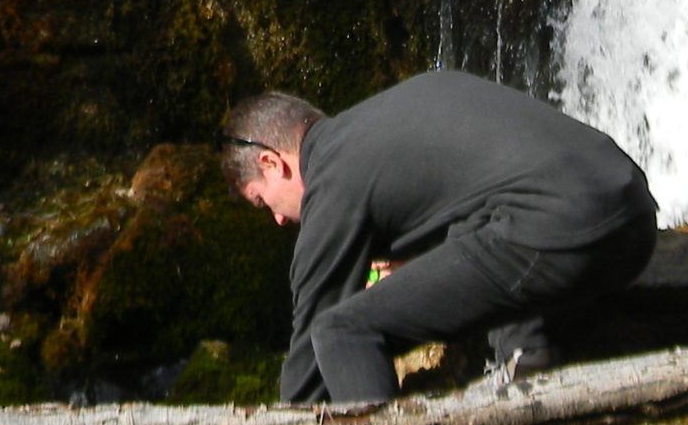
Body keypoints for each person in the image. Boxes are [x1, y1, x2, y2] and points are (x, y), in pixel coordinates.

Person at [222, 69, 658, 405]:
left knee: (340, 331)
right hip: (634, 217)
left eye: (261, 201)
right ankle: (528, 357)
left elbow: (308, 359)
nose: (277, 220)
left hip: (557, 232)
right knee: (482, 224)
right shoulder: (398, 113)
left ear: (272, 163)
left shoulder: (332, 178)